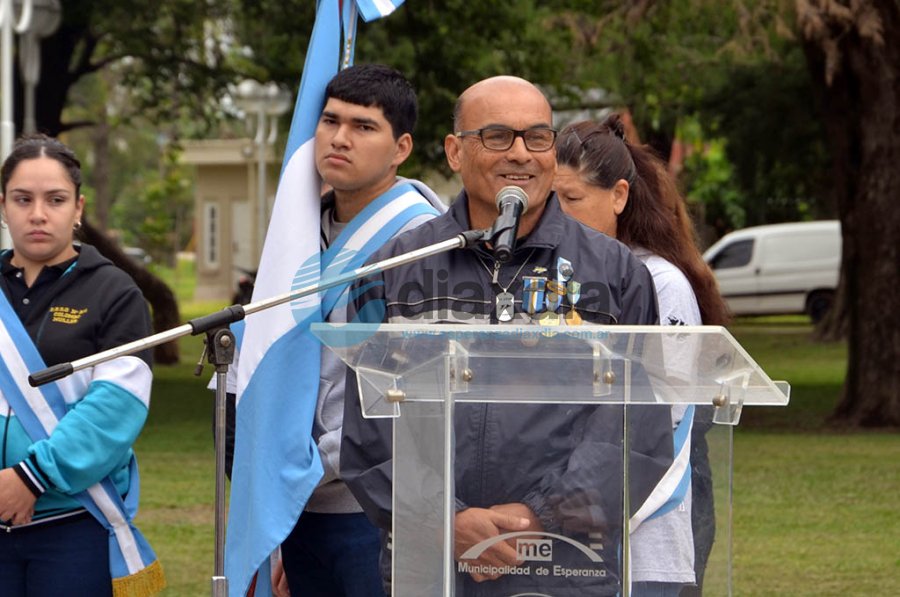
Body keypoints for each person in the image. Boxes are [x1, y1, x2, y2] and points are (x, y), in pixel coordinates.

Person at [340, 76, 673, 596]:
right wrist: (446, 518)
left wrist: (535, 515)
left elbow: (635, 430)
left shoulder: (615, 273)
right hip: (432, 564)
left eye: (538, 138)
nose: (521, 153)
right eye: (497, 136)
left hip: (569, 564)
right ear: (454, 151)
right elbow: (368, 433)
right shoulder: (397, 269)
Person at [216, 64, 445, 597]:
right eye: (329, 121)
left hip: (376, 507)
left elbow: (410, 391)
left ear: (401, 147)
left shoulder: (421, 240)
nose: (340, 138)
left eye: (364, 126)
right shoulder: (299, 234)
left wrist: (302, 476)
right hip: (298, 504)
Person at [554, 114, 730, 596]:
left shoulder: (661, 283)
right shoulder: (552, 279)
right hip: (554, 531)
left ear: (619, 196)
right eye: (551, 200)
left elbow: (665, 419)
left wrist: (598, 509)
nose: (558, 214)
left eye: (571, 199)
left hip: (641, 539)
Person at [0, 135, 163, 596]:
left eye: (55, 200)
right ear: (3, 206)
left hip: (72, 527)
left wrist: (30, 480)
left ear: (78, 208)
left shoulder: (116, 295)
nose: (37, 214)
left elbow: (115, 410)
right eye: (22, 199)